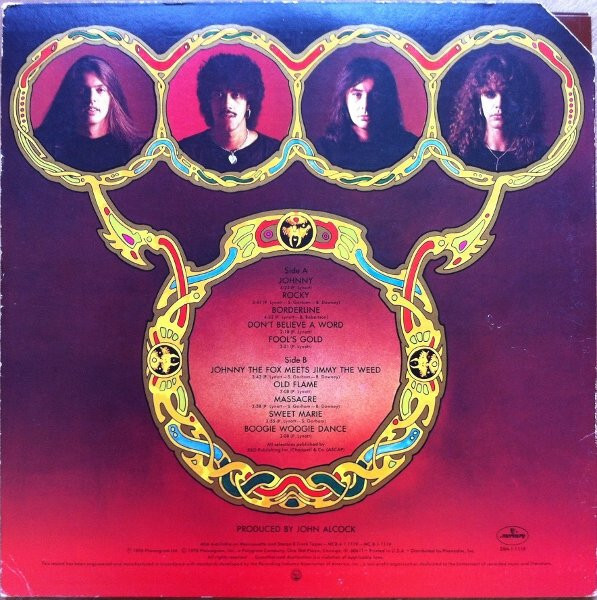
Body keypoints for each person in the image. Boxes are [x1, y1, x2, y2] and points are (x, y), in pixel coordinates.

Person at [36, 55, 145, 172]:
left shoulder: (136, 151)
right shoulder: (43, 146)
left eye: (100, 90)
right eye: (82, 90)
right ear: (70, 97)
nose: (91, 98)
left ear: (112, 97)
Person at [448, 51, 548, 172]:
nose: (499, 104)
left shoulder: (541, 158)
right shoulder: (459, 154)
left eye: (508, 94)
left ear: (522, 101)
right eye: (490, 95)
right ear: (477, 101)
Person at [178, 54, 280, 171]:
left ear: (249, 103)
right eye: (218, 94)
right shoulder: (186, 152)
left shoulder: (274, 153)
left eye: (236, 94)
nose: (227, 104)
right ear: (208, 102)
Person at [316, 57, 417, 172]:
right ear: (344, 98)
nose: (365, 105)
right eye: (357, 94)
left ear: (387, 100)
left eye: (375, 96)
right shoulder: (323, 151)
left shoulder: (410, 148)